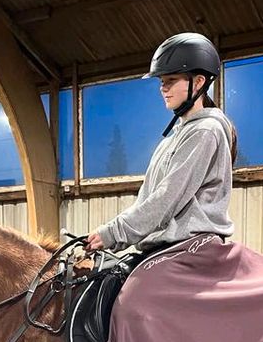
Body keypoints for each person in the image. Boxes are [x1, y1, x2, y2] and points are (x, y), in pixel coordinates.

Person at [85, 32, 236, 253]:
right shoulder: (171, 140)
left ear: (199, 82)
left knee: (134, 288)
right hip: (166, 245)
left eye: (171, 80)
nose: (163, 88)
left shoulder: (206, 130)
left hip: (189, 246)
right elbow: (148, 198)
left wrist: (114, 232)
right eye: (162, 81)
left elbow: (167, 198)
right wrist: (113, 237)